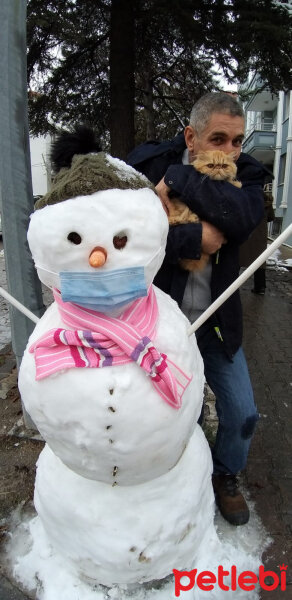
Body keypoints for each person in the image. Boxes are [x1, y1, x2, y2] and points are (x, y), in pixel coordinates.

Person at [127, 92, 270, 526]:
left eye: (238, 141)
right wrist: (195, 240)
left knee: (243, 413)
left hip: (217, 324)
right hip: (158, 325)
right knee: (155, 411)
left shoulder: (242, 174)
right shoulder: (148, 165)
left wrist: (178, 180)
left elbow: (241, 219)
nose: (229, 151)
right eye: (218, 139)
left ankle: (225, 474)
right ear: (191, 136)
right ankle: (159, 475)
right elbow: (128, 238)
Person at [240, 187, 275, 295]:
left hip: (246, 233)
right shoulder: (267, 203)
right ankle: (260, 288)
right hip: (260, 236)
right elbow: (271, 217)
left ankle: (230, 285)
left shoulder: (245, 199)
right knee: (259, 262)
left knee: (238, 259)